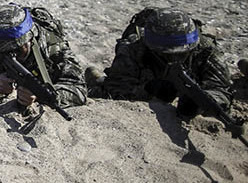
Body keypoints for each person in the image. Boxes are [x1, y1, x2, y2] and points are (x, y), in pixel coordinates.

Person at [98, 8, 233, 116]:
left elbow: (222, 91)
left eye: (181, 54)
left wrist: (199, 103)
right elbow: (116, 87)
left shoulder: (206, 51)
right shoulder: (134, 48)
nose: (174, 59)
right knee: (98, 89)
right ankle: (94, 78)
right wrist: (148, 90)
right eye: (166, 54)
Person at [0, 4, 87, 112]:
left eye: (17, 51)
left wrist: (40, 96)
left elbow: (79, 90)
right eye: (3, 52)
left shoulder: (53, 46)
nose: (12, 56)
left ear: (29, 39)